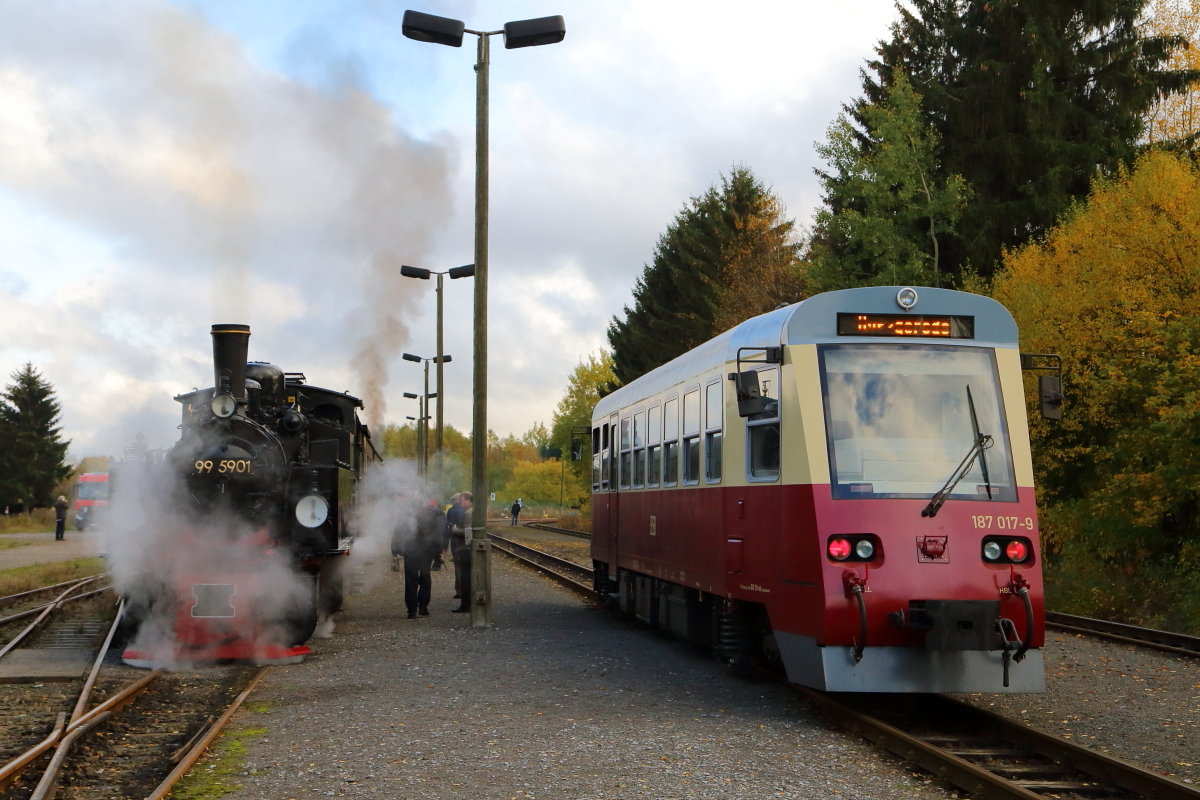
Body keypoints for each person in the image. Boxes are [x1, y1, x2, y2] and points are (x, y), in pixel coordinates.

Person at [404, 499, 444, 619]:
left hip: (410, 551)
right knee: (425, 577)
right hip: (427, 552)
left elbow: (399, 533)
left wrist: (395, 549)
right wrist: (439, 552)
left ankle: (411, 609)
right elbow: (437, 535)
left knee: (411, 580)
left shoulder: (407, 516)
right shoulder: (430, 516)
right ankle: (423, 606)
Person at [447, 492, 473, 613]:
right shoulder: (472, 511)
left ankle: (466, 604)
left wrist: (455, 529)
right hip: (470, 548)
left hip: (465, 548)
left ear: (468, 501)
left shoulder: (468, 513)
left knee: (465, 576)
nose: (460, 502)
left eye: (462, 500)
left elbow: (467, 532)